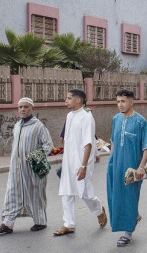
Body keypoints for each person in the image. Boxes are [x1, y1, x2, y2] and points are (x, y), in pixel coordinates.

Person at [0, 97, 53, 234]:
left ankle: (40, 221)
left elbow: (48, 145)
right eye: (20, 107)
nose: (23, 109)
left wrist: (33, 156)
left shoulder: (38, 126)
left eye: (26, 107)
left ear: (32, 109)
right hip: (16, 168)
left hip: (33, 167)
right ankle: (7, 223)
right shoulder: (17, 125)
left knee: (35, 193)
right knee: (12, 192)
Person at [54, 89, 107, 236]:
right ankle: (69, 224)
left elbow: (88, 143)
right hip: (68, 161)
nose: (66, 100)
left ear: (78, 100)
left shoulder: (86, 117)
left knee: (85, 192)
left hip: (82, 161)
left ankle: (98, 209)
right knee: (66, 191)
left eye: (69, 98)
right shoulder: (69, 115)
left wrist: (83, 166)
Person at [106, 89, 147, 247]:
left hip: (132, 169)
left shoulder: (140, 122)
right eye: (118, 101)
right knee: (115, 196)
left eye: (123, 101)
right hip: (115, 166)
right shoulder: (115, 119)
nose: (120, 104)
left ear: (132, 102)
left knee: (130, 197)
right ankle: (134, 216)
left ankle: (128, 233)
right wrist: (111, 161)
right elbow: (113, 141)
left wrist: (141, 167)